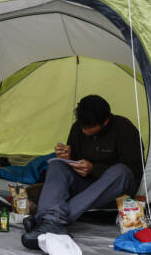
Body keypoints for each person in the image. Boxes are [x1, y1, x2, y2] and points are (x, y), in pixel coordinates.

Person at [22, 95, 143, 250]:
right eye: (82, 126)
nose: (84, 130)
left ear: (105, 121)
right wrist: (68, 157)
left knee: (121, 171)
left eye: (89, 127)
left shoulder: (124, 129)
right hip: (85, 187)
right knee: (57, 165)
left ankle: (48, 220)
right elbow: (74, 161)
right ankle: (51, 221)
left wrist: (94, 168)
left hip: (114, 192)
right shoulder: (78, 128)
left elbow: (133, 173)